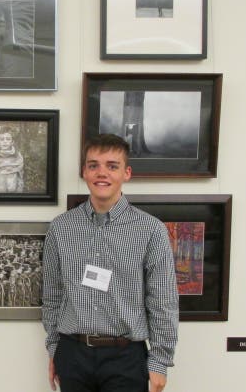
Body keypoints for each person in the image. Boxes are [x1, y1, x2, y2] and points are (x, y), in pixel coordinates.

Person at [42, 134, 178, 392]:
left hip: (126, 358)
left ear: (127, 173)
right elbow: (52, 295)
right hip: (72, 354)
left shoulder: (151, 230)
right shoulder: (60, 228)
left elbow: (163, 300)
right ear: (84, 172)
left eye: (112, 166)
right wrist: (54, 349)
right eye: (93, 165)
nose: (101, 173)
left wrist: (160, 361)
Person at [0, 128, 24, 193]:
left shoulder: (17, 155)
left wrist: (19, 189)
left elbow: (20, 174)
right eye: (2, 139)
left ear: (12, 142)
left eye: (8, 139)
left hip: (13, 189)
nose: (5, 141)